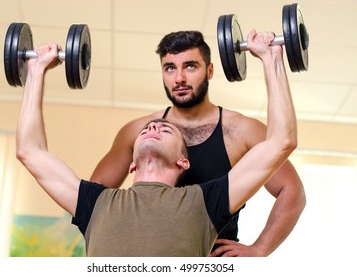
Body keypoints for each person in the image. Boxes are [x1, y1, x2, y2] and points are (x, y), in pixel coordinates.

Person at [16, 29, 297, 257]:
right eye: (169, 68)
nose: (180, 78)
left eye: (190, 66)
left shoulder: (203, 201)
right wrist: (35, 69)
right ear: (132, 164)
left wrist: (260, 249)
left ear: (210, 71)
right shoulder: (99, 204)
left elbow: (283, 145)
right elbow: (30, 152)